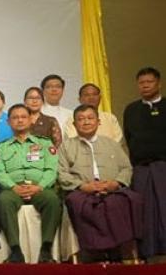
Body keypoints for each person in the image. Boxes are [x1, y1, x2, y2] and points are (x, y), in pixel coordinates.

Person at [59, 105, 142, 263]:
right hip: (82, 191)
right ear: (74, 124)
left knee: (125, 201)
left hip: (112, 189)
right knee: (78, 203)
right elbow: (62, 173)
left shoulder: (111, 144)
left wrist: (115, 183)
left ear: (98, 122)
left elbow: (126, 168)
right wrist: (83, 186)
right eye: (81, 119)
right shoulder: (66, 146)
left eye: (90, 118)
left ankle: (120, 252)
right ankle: (93, 253)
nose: (86, 122)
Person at [0, 104, 62, 263]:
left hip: (39, 188)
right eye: (15, 118)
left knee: (52, 200)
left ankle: (46, 249)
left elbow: (51, 170)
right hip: (13, 189)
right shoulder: (2, 147)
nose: (20, 120)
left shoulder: (45, 144)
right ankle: (15, 251)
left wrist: (40, 186)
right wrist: (13, 187)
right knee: (4, 200)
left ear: (31, 120)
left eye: (23, 117)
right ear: (8, 122)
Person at [123, 67, 166, 258]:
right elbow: (129, 137)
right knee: (144, 211)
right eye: (141, 83)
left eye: (149, 82)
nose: (145, 85)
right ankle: (147, 253)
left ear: (159, 83)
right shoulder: (131, 110)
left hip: (163, 166)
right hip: (141, 168)